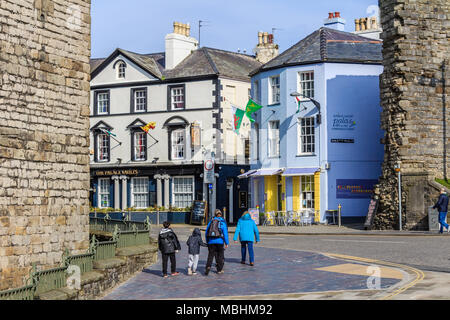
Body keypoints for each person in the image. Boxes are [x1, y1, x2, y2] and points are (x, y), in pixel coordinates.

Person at [204, 209, 229, 275]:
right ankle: (219, 270)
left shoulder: (211, 221)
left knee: (210, 255)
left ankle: (208, 266)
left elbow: (206, 232)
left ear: (215, 214)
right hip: (220, 241)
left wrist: (207, 241)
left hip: (211, 241)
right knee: (220, 255)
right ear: (221, 214)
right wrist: (226, 242)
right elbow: (225, 233)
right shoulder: (222, 222)